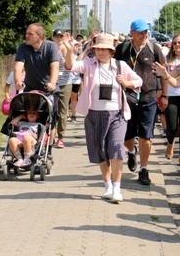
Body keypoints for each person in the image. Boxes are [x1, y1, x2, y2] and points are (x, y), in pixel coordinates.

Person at [64, 32, 142, 203]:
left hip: (117, 114)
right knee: (100, 150)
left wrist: (127, 83)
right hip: (93, 113)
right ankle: (107, 185)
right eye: (98, 49)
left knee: (115, 148)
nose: (101, 52)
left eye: (104, 49)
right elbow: (71, 67)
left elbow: (138, 81)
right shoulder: (89, 64)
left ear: (111, 51)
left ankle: (117, 187)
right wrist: (70, 51)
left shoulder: (120, 66)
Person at [114, 19, 168, 186]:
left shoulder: (154, 49)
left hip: (148, 97)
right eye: (140, 32)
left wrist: (164, 95)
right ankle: (131, 151)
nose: (144, 35)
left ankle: (144, 169)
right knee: (127, 136)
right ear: (132, 33)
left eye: (145, 32)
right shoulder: (122, 49)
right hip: (127, 98)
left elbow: (164, 73)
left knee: (146, 135)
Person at [13, 23, 60, 159]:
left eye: (30, 34)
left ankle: (48, 150)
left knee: (50, 121)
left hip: (49, 91)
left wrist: (52, 83)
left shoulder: (51, 47)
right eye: (26, 33)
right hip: (31, 90)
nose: (26, 36)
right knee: (29, 116)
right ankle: (26, 145)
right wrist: (17, 81)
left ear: (40, 36)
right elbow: (18, 67)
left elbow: (55, 67)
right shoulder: (23, 47)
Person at [164, 33, 180, 165]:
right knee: (172, 126)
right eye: (175, 43)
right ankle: (170, 142)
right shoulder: (167, 59)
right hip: (171, 94)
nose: (177, 45)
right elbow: (163, 76)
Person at [52, 29, 73, 148]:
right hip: (52, 83)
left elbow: (70, 65)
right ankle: (51, 134)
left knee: (63, 112)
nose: (59, 39)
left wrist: (67, 48)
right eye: (57, 36)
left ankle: (61, 137)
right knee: (51, 110)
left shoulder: (67, 49)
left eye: (61, 36)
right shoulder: (50, 49)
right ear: (53, 37)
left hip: (65, 83)